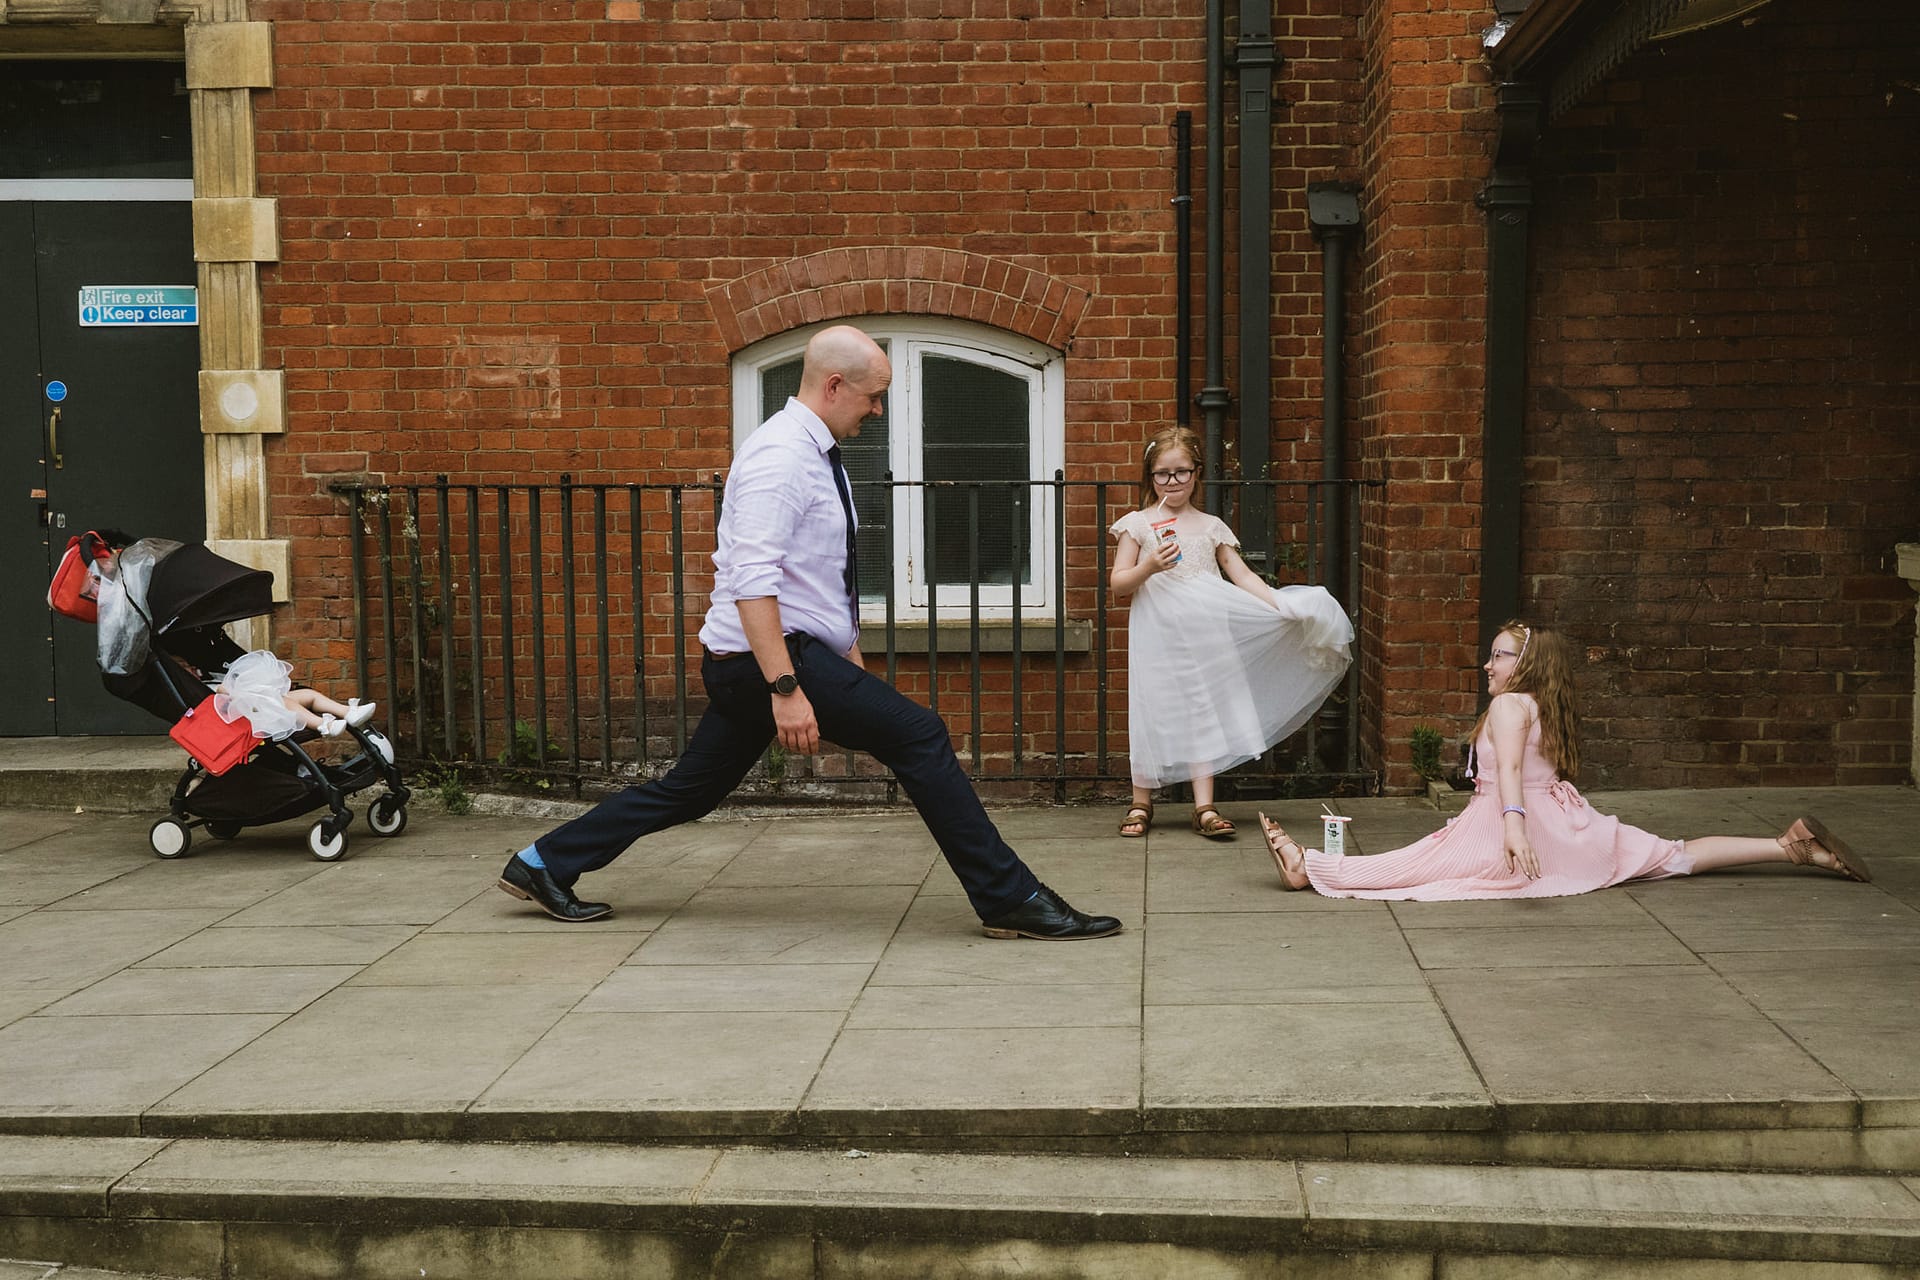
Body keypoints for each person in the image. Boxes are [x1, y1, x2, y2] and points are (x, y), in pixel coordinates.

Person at [497, 324, 1122, 939]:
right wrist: (787, 687)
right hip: (762, 660)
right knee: (921, 736)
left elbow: (821, 576)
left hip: (765, 657)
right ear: (833, 385)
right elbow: (752, 580)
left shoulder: (819, 454)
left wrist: (845, 659)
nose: (878, 410)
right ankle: (1009, 898)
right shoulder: (780, 458)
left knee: (690, 792)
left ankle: (541, 863)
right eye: (873, 395)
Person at [1258, 619, 1870, 898]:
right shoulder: (1539, 705)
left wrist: (1514, 826)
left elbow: (1512, 781)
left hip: (1516, 829)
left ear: (1522, 665)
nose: (1488, 665)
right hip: (1573, 827)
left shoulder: (1506, 709)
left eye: (1498, 656)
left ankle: (1307, 867)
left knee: (1413, 868)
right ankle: (1788, 847)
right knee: (1673, 856)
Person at [1108, 426, 1353, 840]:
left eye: (1182, 472)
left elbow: (1239, 575)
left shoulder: (1210, 526)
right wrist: (1151, 566)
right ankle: (1141, 800)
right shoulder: (1138, 525)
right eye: (1163, 474)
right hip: (1157, 633)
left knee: (1205, 708)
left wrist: (1281, 605)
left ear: (1197, 473)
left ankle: (1204, 805)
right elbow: (1118, 584)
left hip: (1207, 631)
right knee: (1153, 706)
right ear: (1150, 476)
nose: (1173, 482)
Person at [214, 649, 377, 740]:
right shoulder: (213, 686)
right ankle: (322, 725)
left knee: (308, 694)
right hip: (248, 712)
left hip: (262, 701)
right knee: (282, 701)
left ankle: (348, 712)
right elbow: (223, 693)